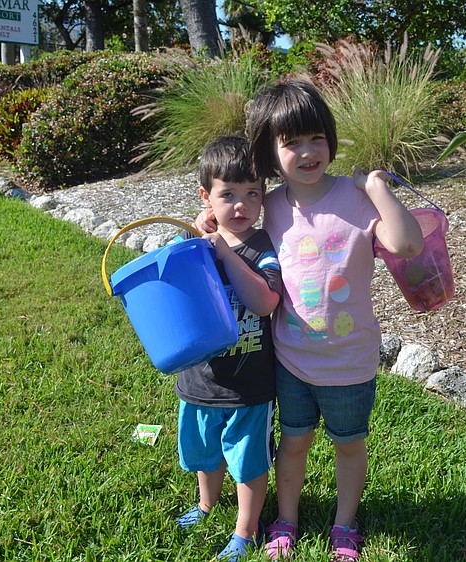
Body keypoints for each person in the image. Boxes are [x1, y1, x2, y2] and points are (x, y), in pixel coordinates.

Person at [196, 79, 424, 561]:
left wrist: (377, 186)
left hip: (349, 361)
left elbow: (407, 245)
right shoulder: (270, 205)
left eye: (316, 137)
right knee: (293, 443)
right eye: (291, 142)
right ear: (268, 151)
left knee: (348, 445)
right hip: (292, 360)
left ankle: (344, 524)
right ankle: (286, 519)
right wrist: (207, 226)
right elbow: (235, 239)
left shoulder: (357, 199)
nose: (307, 151)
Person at [174, 135, 283, 562]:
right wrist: (201, 236)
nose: (240, 205)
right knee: (203, 452)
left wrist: (223, 246)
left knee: (249, 460)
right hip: (199, 380)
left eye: (252, 194)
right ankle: (205, 503)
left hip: (249, 385)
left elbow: (264, 302)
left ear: (263, 197)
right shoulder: (195, 244)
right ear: (206, 197)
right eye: (228, 195)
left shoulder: (263, 248)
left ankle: (246, 528)